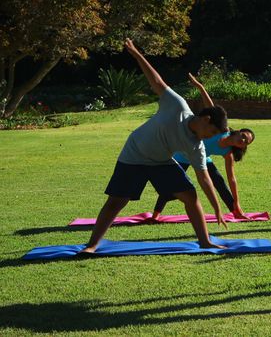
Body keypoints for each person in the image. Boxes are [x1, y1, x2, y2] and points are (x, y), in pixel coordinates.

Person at [80, 39, 229, 253]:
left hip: (160, 161)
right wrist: (136, 54)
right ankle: (92, 245)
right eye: (213, 132)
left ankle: (204, 241)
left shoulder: (197, 146)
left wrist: (217, 209)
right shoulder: (177, 106)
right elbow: (157, 82)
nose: (211, 137)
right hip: (134, 154)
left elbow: (204, 178)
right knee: (117, 201)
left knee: (190, 196)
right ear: (205, 119)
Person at [151, 74, 255, 220]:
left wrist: (237, 202)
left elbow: (232, 179)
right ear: (237, 132)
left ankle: (236, 212)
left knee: (219, 182)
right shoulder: (221, 130)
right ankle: (155, 216)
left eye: (246, 142)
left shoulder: (228, 153)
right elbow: (211, 107)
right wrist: (200, 87)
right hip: (183, 155)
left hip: (202, 157)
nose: (243, 140)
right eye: (243, 136)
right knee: (171, 185)